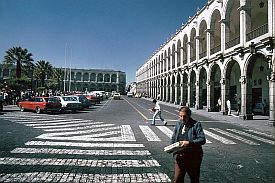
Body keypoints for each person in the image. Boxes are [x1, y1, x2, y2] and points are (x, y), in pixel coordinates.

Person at [171, 106, 206, 183]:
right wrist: (171, 147)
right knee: (177, 179)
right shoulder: (178, 123)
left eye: (184, 116)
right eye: (180, 116)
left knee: (194, 179)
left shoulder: (196, 124)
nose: (182, 118)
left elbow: (202, 139)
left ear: (189, 116)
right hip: (180, 157)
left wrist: (189, 143)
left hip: (193, 158)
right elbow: (174, 137)